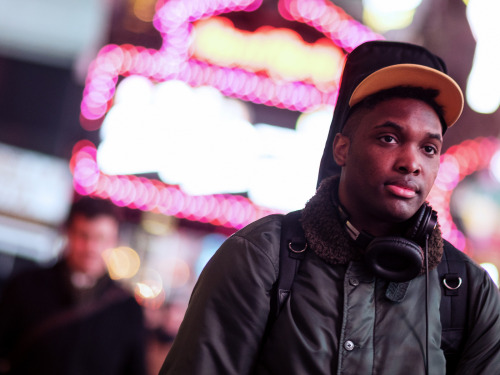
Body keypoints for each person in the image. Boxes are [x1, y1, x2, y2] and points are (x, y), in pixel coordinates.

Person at [158, 40, 500, 375]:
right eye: (389, 138)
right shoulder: (260, 257)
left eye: (428, 148)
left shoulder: (468, 288)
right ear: (342, 148)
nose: (411, 163)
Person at [0, 196, 147, 375]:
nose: (91, 247)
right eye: (83, 235)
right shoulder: (24, 287)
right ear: (68, 233)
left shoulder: (127, 308)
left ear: (113, 241)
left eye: (101, 238)